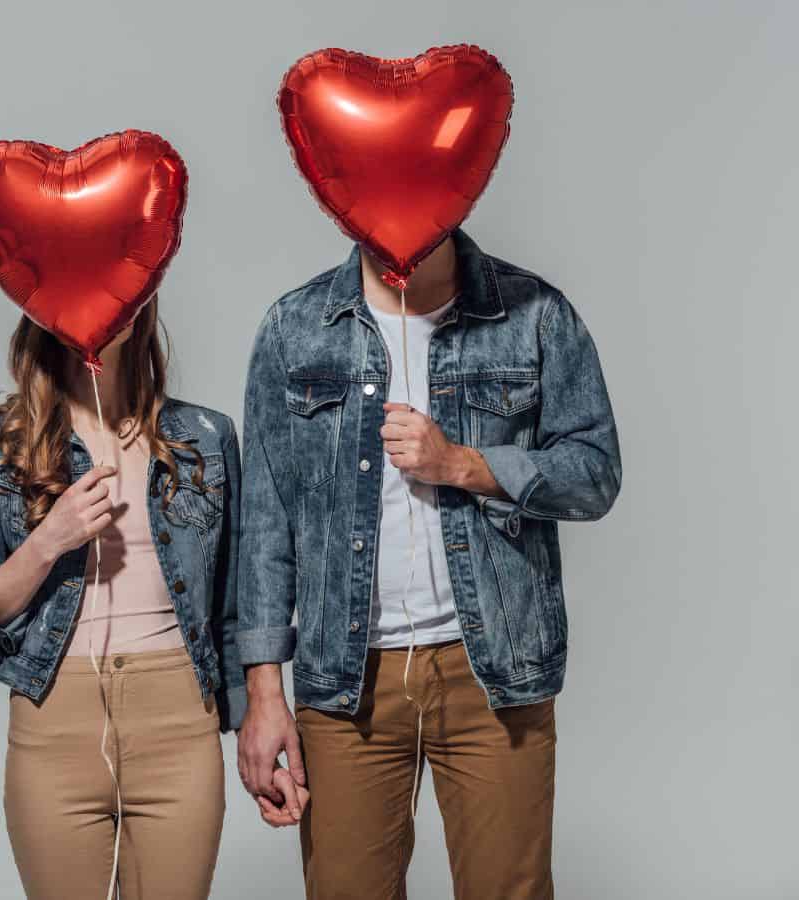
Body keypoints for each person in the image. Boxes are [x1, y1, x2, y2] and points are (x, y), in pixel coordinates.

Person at [235, 228, 621, 898]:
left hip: (493, 673)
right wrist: (264, 695)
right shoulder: (294, 329)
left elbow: (594, 474)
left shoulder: (533, 313)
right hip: (346, 683)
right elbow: (265, 524)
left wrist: (463, 465)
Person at [0, 298, 244, 900]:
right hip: (55, 728)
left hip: (179, 727)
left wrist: (254, 718)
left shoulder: (205, 437)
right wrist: (48, 541)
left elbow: (231, 609)